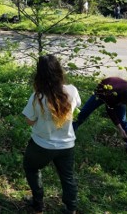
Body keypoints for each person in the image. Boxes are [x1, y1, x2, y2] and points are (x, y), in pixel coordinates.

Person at [22, 54, 81, 214]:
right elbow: (76, 106)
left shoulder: (37, 97)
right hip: (67, 144)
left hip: (41, 144)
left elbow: (29, 121)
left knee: (31, 167)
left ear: (39, 75)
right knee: (67, 177)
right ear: (59, 71)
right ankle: (71, 208)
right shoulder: (72, 91)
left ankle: (38, 203)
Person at [73, 77, 127, 155]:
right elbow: (110, 110)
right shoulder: (112, 96)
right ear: (124, 100)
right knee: (83, 114)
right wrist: (119, 128)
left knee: (123, 121)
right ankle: (70, 134)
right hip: (102, 92)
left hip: (118, 91)